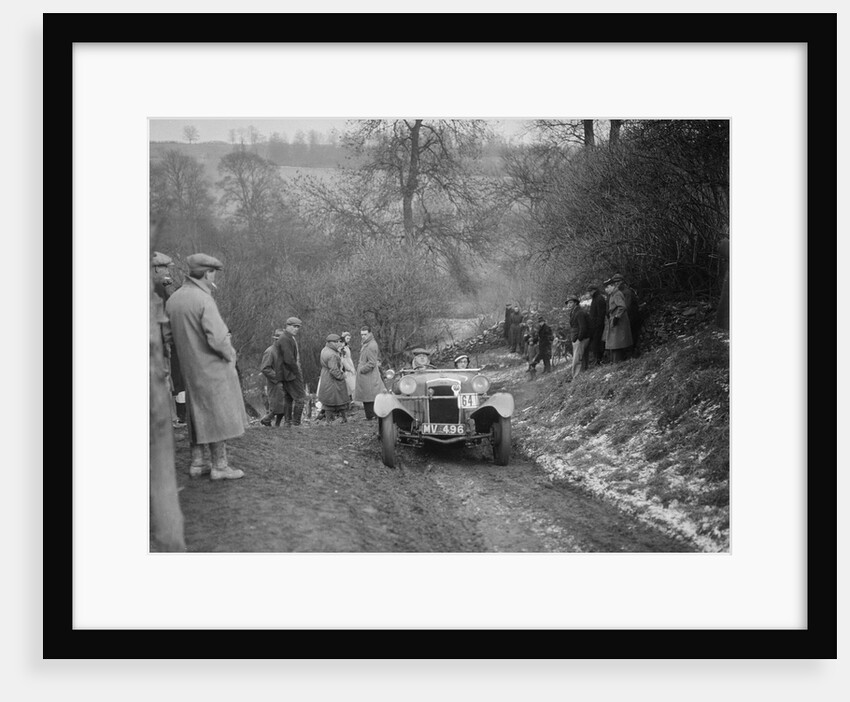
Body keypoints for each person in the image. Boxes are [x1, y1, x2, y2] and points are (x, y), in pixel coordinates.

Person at [165, 253, 247, 480]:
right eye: (213, 272)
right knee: (216, 415)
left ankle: (197, 463)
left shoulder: (174, 300)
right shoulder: (204, 300)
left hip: (189, 368)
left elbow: (167, 336)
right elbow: (219, 339)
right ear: (207, 273)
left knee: (196, 413)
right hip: (212, 367)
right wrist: (230, 355)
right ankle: (220, 466)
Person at [151, 251, 186, 424]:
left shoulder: (160, 288)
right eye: (165, 268)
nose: (168, 273)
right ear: (156, 268)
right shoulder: (156, 290)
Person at [275, 316, 306, 427]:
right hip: (290, 373)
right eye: (294, 326)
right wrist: (296, 371)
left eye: (298, 327)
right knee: (300, 399)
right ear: (287, 326)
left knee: (288, 399)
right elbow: (289, 359)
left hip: (285, 373)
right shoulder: (285, 338)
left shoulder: (287, 337)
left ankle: (288, 423)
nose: (296, 329)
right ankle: (296, 423)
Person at [354, 325, 385, 421]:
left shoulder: (371, 345)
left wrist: (362, 370)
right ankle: (370, 416)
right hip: (366, 375)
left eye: (365, 334)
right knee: (367, 396)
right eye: (362, 334)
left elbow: (372, 363)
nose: (363, 336)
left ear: (370, 333)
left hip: (368, 375)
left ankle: (371, 416)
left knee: (369, 396)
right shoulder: (367, 343)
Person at [316, 334, 350, 422]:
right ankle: (342, 419)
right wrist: (342, 377)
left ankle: (329, 420)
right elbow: (334, 370)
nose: (339, 343)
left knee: (328, 401)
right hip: (333, 381)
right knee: (338, 400)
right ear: (333, 343)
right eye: (338, 342)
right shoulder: (332, 354)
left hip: (325, 376)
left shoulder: (325, 349)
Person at [602, 275, 633, 363]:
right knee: (616, 343)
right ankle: (617, 361)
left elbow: (622, 307)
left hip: (619, 322)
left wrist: (616, 317)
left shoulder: (617, 294)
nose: (606, 290)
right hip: (616, 321)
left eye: (607, 287)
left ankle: (619, 361)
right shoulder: (613, 294)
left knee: (617, 343)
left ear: (612, 286)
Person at [609, 273, 641, 357]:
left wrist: (620, 317)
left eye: (618, 281)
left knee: (630, 338)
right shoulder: (619, 292)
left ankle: (632, 355)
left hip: (631, 317)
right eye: (614, 282)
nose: (616, 283)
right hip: (625, 318)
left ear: (622, 281)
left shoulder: (626, 292)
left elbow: (627, 306)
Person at [259, 329, 285, 426]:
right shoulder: (270, 351)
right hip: (275, 383)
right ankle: (266, 420)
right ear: (276, 340)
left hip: (283, 381)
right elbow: (265, 368)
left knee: (283, 405)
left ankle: (276, 425)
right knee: (277, 406)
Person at [565, 296, 591, 379]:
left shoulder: (579, 312)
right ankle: (582, 375)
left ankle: (576, 377)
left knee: (577, 359)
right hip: (577, 337)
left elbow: (582, 327)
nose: (569, 305)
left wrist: (579, 338)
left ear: (575, 303)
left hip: (580, 338)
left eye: (571, 302)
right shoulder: (573, 312)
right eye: (568, 303)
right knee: (582, 357)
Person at [585, 283, 607, 366]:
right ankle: (597, 359)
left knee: (597, 343)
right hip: (595, 325)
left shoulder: (599, 299)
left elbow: (601, 314)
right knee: (595, 344)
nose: (589, 293)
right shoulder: (596, 299)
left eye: (590, 291)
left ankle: (599, 360)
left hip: (598, 326)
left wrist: (597, 325)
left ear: (594, 291)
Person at [339, 331, 357, 405]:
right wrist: (349, 368)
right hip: (346, 369)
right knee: (351, 385)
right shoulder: (342, 348)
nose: (348, 340)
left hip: (350, 365)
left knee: (352, 385)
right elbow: (343, 360)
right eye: (347, 338)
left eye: (349, 338)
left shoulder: (347, 347)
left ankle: (353, 400)